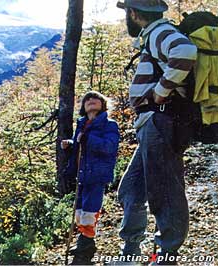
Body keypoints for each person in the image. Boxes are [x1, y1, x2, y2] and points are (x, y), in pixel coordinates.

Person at [116, 0, 197, 264]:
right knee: (130, 189)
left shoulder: (159, 32)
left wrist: (160, 92)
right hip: (152, 124)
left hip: (160, 121)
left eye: (127, 13)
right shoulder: (152, 35)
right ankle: (130, 250)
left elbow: (185, 51)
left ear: (134, 14)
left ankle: (167, 254)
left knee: (165, 190)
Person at [61, 91, 120, 265]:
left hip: (97, 174)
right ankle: (84, 243)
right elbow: (81, 146)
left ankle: (85, 250)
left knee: (90, 210)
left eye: (95, 99)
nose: (91, 101)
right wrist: (71, 144)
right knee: (80, 211)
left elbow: (109, 147)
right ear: (83, 107)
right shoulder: (82, 125)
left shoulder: (109, 125)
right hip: (82, 175)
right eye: (87, 99)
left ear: (103, 104)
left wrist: (87, 138)